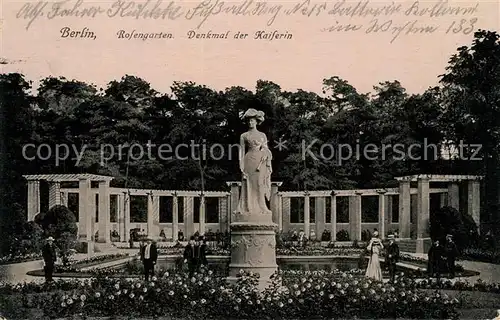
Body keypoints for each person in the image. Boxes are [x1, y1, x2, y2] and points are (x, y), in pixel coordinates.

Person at [236, 108, 273, 216]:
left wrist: (266, 154)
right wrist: (241, 165)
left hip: (260, 161)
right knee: (248, 184)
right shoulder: (244, 135)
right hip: (249, 160)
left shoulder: (262, 135)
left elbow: (265, 148)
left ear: (257, 121)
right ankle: (248, 207)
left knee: (260, 184)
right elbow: (241, 151)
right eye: (249, 120)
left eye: (252, 120)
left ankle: (262, 207)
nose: (250, 122)